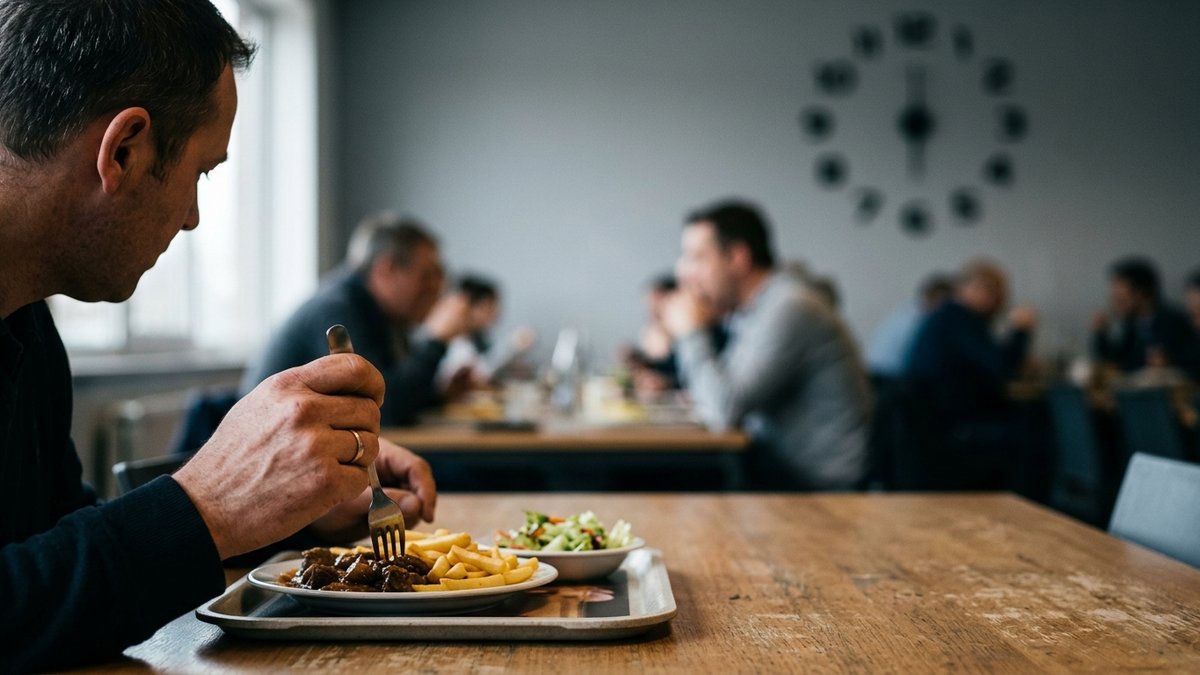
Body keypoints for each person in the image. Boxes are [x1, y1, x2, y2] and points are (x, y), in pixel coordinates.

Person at [0, 2, 435, 670]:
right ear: (123, 151)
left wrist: (281, 506)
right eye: (201, 172)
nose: (195, 218)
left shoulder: (25, 317)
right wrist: (208, 507)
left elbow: (58, 553)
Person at [662, 199, 871, 490]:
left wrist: (691, 332)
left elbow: (725, 410)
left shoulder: (789, 306)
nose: (684, 273)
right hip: (782, 474)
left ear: (737, 257)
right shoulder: (754, 310)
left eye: (697, 257)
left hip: (820, 492)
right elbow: (719, 398)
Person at [242, 213, 474, 425]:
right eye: (426, 275)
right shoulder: (338, 312)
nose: (436, 286)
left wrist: (438, 395)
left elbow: (391, 393)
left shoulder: (380, 311)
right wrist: (436, 340)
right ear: (387, 269)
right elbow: (383, 411)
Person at [905, 258, 1036, 487]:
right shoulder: (958, 318)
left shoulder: (948, 316)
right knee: (1034, 431)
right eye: (988, 290)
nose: (994, 300)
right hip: (955, 425)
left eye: (998, 293)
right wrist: (1020, 331)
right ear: (964, 288)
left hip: (940, 422)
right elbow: (1000, 367)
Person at [1091, 257, 1198, 379]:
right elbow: (1117, 360)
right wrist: (1100, 334)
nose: (1115, 305)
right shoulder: (1134, 324)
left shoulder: (1175, 322)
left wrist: (1171, 360)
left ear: (1140, 293)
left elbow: (1192, 360)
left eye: (1121, 300)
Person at [435, 274, 536, 389]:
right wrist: (512, 346)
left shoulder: (478, 338)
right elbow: (477, 376)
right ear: (466, 305)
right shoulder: (454, 342)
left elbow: (484, 364)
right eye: (489, 307)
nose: (496, 313)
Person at [864, 273, 956, 380]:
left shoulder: (907, 310)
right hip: (890, 378)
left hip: (877, 373)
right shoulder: (919, 321)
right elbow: (919, 361)